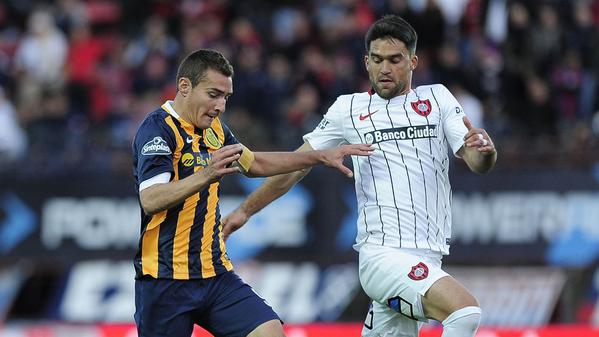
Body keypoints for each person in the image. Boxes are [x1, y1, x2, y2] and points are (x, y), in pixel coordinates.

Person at [222, 15, 497, 337]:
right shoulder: (347, 109)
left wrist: (486, 150)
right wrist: (244, 210)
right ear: (366, 62)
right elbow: (298, 164)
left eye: (395, 60)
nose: (385, 69)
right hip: (381, 255)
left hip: (428, 256)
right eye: (377, 60)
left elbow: (476, 160)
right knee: (464, 313)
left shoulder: (437, 99)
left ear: (413, 61)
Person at [131, 49, 373, 337]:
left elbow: (254, 163)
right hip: (165, 279)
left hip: (214, 274)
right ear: (185, 86)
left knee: (269, 332)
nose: (220, 105)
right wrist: (206, 174)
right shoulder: (157, 129)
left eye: (226, 97)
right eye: (213, 94)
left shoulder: (214, 129)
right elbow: (151, 199)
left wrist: (318, 157)